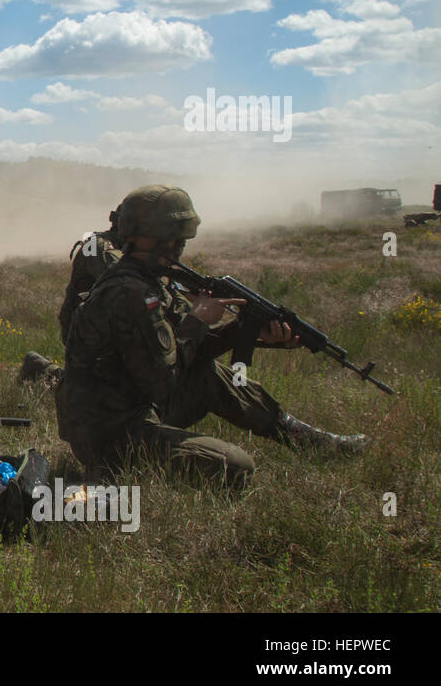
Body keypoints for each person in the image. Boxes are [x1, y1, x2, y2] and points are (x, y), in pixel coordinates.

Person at [55, 184, 368, 487]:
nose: (180, 248)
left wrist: (241, 332)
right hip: (107, 432)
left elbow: (183, 355)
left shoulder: (152, 283)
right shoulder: (130, 293)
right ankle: (113, 467)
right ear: (157, 238)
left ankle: (304, 439)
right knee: (236, 467)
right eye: (176, 240)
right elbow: (163, 383)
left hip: (132, 406)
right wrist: (198, 320)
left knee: (207, 374)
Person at [19, 207, 123, 385]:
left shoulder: (128, 250)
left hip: (105, 327)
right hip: (84, 329)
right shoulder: (94, 245)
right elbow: (120, 283)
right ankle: (41, 370)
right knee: (100, 389)